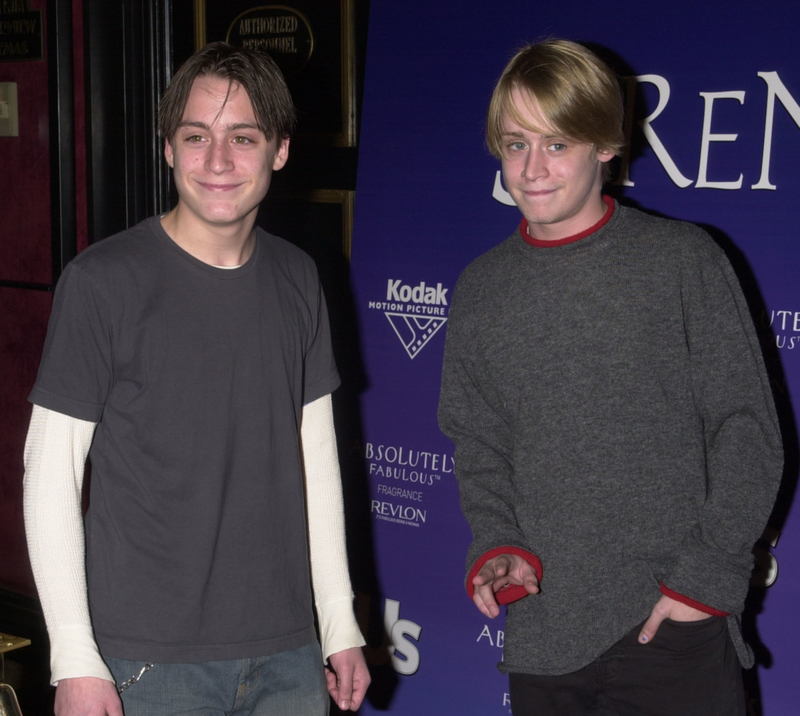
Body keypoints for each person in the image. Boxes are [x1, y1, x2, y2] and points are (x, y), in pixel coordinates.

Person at [438, 39, 783, 716]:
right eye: (514, 144)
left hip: (672, 630)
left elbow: (748, 432)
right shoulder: (482, 287)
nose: (531, 169)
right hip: (543, 635)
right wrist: (499, 544)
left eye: (557, 144)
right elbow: (478, 444)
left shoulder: (682, 262)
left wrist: (701, 586)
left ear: (604, 145)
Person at [23, 42, 369, 716]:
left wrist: (339, 623)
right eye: (195, 136)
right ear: (168, 149)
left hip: (288, 653)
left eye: (243, 137)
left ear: (280, 150)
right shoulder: (103, 282)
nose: (217, 161)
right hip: (145, 661)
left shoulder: (299, 276)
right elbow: (50, 473)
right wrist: (72, 657)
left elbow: (317, 463)